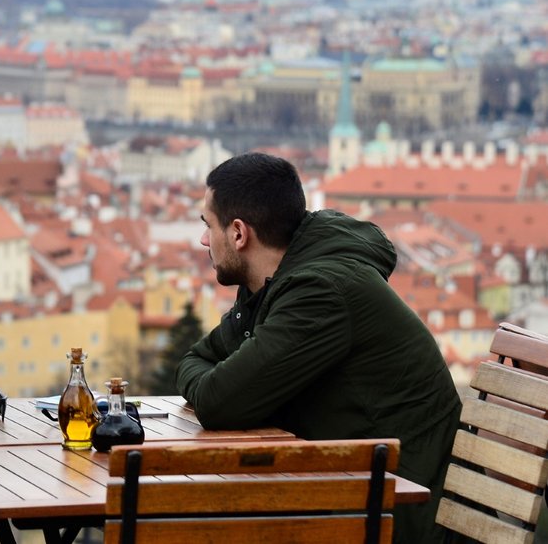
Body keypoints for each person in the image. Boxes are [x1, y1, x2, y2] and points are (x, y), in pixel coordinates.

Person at [176, 152, 461, 543]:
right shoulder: (276, 283)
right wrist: (218, 381)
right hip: (362, 496)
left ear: (239, 233)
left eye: (208, 225)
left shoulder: (320, 293)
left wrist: (220, 383)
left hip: (402, 515)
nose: (204, 239)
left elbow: (217, 401)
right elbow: (198, 359)